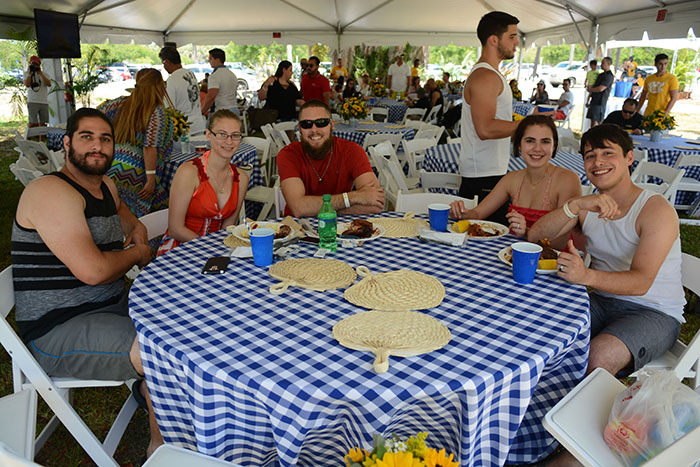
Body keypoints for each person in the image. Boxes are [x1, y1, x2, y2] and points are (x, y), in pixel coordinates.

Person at [10, 107, 165, 459]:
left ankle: (152, 395)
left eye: (105, 139)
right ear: (66, 143)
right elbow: (93, 271)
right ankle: (159, 449)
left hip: (110, 305)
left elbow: (133, 224)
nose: (97, 146)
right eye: (87, 137)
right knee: (161, 350)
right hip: (59, 328)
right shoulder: (50, 191)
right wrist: (138, 254)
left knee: (180, 322)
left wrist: (137, 236)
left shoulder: (106, 186)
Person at [529, 124, 684, 464]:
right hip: (600, 299)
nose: (597, 161)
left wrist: (585, 275)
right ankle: (536, 433)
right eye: (590, 155)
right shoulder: (590, 204)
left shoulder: (655, 209)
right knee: (540, 332)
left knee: (597, 356)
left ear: (629, 158)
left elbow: (641, 281)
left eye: (607, 152)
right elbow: (536, 236)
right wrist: (576, 205)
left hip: (653, 312)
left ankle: (573, 453)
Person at [450, 115, 580, 249]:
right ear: (519, 145)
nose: (537, 148)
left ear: (554, 146)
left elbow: (561, 243)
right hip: (513, 256)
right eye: (530, 141)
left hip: (554, 263)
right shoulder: (512, 178)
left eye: (545, 141)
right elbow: (477, 214)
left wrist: (527, 233)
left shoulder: (567, 180)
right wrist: (462, 213)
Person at [458, 11, 525, 224]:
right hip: (483, 177)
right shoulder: (485, 76)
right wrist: (525, 125)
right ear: (493, 40)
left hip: (488, 173)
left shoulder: (490, 74)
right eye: (512, 36)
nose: (517, 43)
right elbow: (485, 129)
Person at [158, 110, 248, 255]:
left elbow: (228, 226)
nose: (229, 141)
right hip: (180, 248)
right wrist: (210, 249)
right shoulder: (189, 172)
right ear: (208, 135)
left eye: (235, 135)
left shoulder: (241, 178)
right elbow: (176, 229)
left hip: (216, 249)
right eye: (222, 134)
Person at [277, 100, 385, 217]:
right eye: (306, 124)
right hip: (298, 229)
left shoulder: (352, 151)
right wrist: (354, 197)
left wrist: (315, 209)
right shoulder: (288, 154)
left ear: (332, 125)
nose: (314, 130)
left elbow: (375, 204)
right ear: (299, 128)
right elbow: (299, 208)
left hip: (344, 229)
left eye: (321, 122)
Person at [98, 68, 175, 217]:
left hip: (111, 171)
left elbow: (94, 116)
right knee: (141, 217)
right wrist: (151, 178)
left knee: (120, 213)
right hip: (139, 175)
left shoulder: (119, 104)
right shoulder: (157, 113)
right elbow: (149, 147)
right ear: (159, 86)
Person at [158, 46, 206, 136]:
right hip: (198, 125)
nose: (164, 66)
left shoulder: (172, 80)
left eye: (163, 63)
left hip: (184, 129)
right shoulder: (191, 73)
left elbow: (169, 108)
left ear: (167, 61)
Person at [201, 48, 238, 116]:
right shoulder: (232, 74)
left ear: (217, 60)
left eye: (210, 58)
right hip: (234, 109)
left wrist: (202, 111)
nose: (209, 61)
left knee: (210, 126)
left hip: (221, 111)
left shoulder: (215, 76)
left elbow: (211, 96)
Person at [24, 55, 52, 130]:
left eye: (36, 64)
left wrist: (40, 73)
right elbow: (27, 84)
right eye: (33, 64)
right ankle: (28, 139)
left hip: (43, 101)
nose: (35, 66)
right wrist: (30, 74)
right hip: (32, 101)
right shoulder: (27, 73)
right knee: (32, 123)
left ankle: (41, 140)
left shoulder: (45, 74)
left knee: (43, 123)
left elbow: (49, 84)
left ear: (39, 64)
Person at [586, 56, 614, 127]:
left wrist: (591, 89)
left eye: (603, 63)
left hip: (600, 102)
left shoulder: (609, 76)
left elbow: (601, 88)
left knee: (597, 121)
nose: (601, 65)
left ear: (608, 64)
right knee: (592, 120)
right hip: (594, 100)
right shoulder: (601, 75)